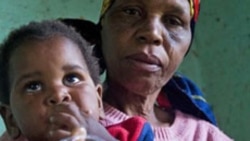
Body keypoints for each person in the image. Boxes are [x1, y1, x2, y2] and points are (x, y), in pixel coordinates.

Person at [92, 0, 233, 140]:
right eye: (131, 12)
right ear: (103, 24)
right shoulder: (76, 125)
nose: (152, 33)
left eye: (173, 21)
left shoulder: (204, 136)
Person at [0, 20, 154, 141]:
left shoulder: (133, 134)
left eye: (72, 78)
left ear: (98, 99)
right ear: (10, 118)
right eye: (33, 86)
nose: (58, 94)